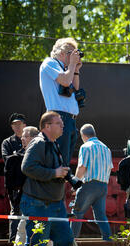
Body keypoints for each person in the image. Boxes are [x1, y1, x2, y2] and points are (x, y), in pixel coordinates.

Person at [18, 111, 74, 246]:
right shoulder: (39, 143)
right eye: (59, 123)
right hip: (38, 204)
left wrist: (63, 174)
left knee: (65, 241)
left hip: (55, 204)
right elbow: (27, 167)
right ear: (47, 126)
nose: (63, 125)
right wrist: (54, 173)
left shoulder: (53, 143)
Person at [0, 126, 54, 246]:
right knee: (25, 228)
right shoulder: (28, 152)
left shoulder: (38, 152)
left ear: (33, 137)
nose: (21, 138)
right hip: (30, 198)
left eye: (25, 136)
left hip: (39, 198)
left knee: (40, 229)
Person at [39, 37, 83, 168]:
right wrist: (71, 65)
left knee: (65, 163)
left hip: (69, 120)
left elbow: (74, 88)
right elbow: (64, 81)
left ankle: (59, 187)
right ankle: (54, 187)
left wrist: (75, 69)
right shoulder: (50, 62)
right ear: (61, 52)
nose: (75, 55)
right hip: (58, 117)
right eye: (72, 52)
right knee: (58, 164)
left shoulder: (66, 69)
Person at [69, 124, 113, 241]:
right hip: (103, 186)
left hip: (90, 185)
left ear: (83, 135)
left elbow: (82, 167)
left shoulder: (86, 147)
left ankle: (71, 242)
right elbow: (110, 168)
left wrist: (75, 184)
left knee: (77, 212)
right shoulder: (106, 148)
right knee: (100, 215)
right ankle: (108, 241)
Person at [1, 113, 27, 244]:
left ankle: (27, 242)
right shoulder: (7, 142)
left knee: (28, 212)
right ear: (12, 127)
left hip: (28, 182)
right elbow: (7, 159)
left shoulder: (30, 140)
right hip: (15, 183)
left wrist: (16, 156)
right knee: (15, 211)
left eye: (19, 124)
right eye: (14, 124)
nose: (17, 127)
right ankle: (13, 242)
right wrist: (22, 155)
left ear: (24, 125)